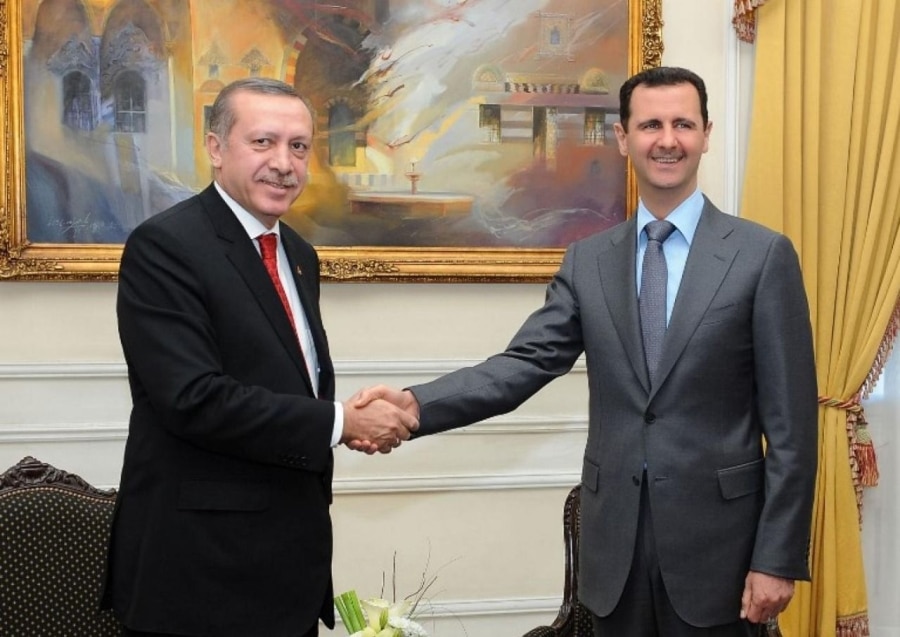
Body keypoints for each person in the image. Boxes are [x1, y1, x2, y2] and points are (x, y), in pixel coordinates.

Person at [355, 67, 818, 636]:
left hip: (720, 555)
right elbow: (524, 362)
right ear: (623, 138)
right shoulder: (588, 261)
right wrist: (413, 405)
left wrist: (777, 557)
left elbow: (793, 429)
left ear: (706, 133)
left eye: (682, 124)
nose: (667, 139)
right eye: (650, 124)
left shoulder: (762, 255)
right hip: (612, 555)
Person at [103, 77, 418, 637]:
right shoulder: (166, 247)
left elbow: (288, 387)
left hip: (286, 576)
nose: (284, 163)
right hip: (199, 581)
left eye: (299, 146)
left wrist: (342, 421)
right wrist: (342, 422)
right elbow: (193, 399)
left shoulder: (297, 253)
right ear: (216, 148)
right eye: (263, 142)